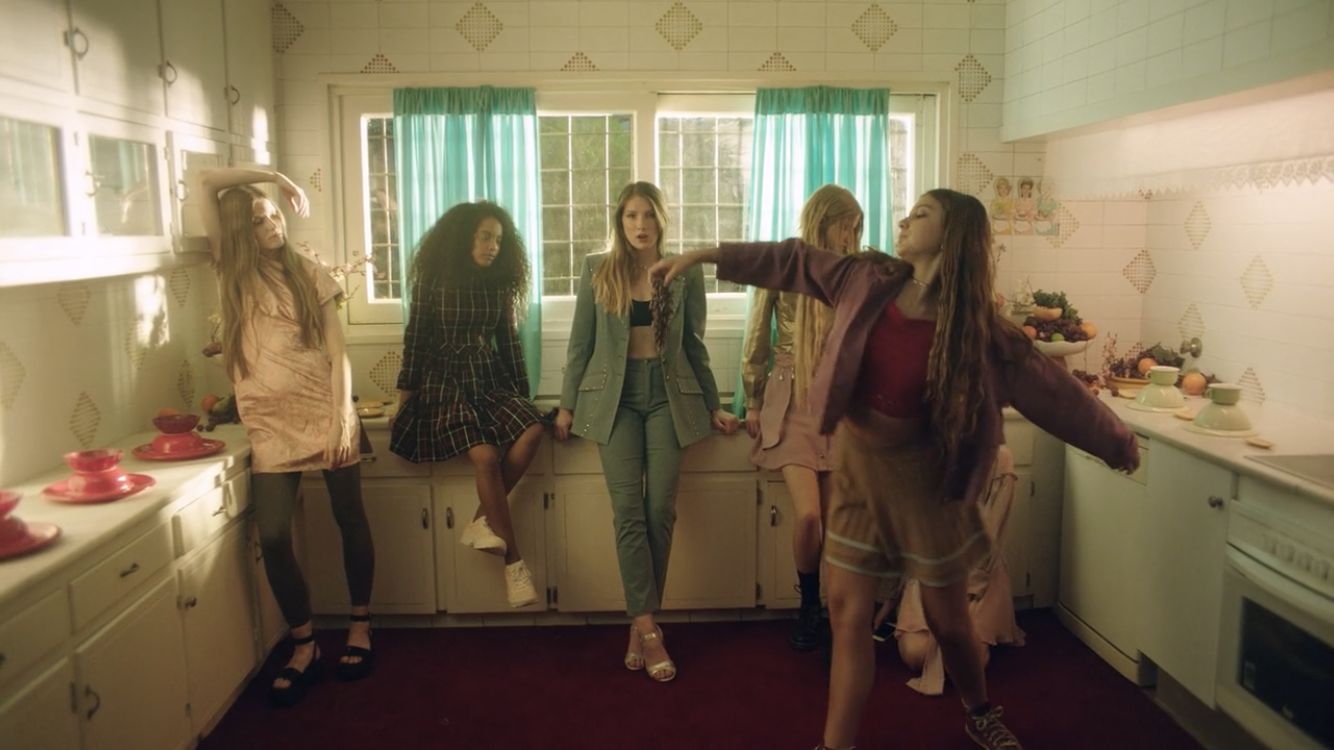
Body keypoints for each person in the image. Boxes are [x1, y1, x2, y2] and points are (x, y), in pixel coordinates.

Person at [651, 188, 1139, 749]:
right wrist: (707, 255)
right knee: (847, 613)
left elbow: (1056, 393)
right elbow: (793, 260)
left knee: (949, 623)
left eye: (922, 214)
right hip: (859, 472)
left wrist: (1118, 442)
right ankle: (836, 745)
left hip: (928, 489)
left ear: (953, 237)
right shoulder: (866, 279)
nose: (904, 219)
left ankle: (979, 711)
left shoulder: (980, 329)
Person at [198, 167, 376, 707]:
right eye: (257, 220)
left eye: (274, 213)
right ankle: (304, 643)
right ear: (238, 232)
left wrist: (343, 414)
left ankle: (360, 627)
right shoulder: (232, 270)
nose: (272, 223)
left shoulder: (310, 273)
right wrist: (272, 174)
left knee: (349, 518)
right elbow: (206, 181)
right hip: (268, 423)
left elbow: (337, 350)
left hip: (324, 407)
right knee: (273, 535)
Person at [553, 181, 739, 683]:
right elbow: (579, 345)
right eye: (631, 216)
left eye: (648, 216)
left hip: (667, 394)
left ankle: (640, 622)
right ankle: (650, 627)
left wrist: (715, 403)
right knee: (627, 511)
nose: (640, 225)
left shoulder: (683, 273)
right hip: (611, 399)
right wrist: (567, 406)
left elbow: (694, 346)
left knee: (659, 509)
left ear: (661, 220)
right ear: (620, 221)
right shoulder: (598, 269)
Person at [389, 201, 546, 608]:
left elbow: (509, 344)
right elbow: (416, 338)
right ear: (465, 238)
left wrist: (523, 396)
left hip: (486, 376)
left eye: (498, 239)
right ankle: (514, 565)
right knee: (486, 456)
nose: (493, 246)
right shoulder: (433, 280)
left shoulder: (499, 284)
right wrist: (405, 397)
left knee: (532, 430)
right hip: (443, 380)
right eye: (485, 236)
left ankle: (480, 521)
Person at [740, 184, 863, 651]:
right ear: (822, 220)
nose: (849, 235)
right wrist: (752, 400)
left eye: (855, 227)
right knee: (808, 515)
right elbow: (757, 338)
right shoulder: (784, 267)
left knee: (834, 522)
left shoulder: (853, 273)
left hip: (840, 402)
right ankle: (808, 605)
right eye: (844, 225)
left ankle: (835, 614)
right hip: (790, 398)